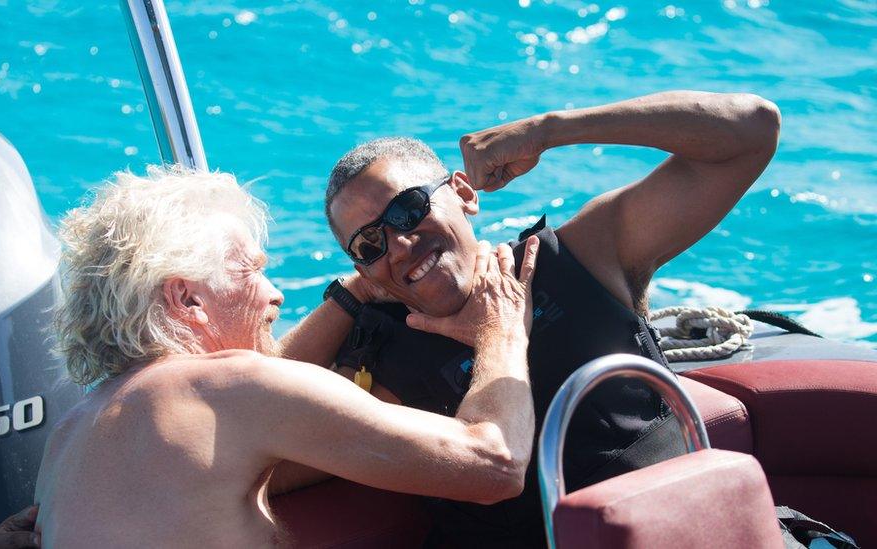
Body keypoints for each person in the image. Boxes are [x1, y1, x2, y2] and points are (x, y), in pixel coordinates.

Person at [323, 91, 781, 546]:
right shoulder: (379, 369)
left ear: (463, 193)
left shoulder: (584, 259)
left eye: (408, 209)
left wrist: (552, 130)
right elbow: (263, 418)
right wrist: (348, 296)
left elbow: (752, 130)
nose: (400, 244)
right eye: (369, 245)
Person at [30, 167, 541, 547]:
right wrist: (502, 328)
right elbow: (494, 464)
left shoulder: (69, 437)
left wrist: (355, 294)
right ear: (187, 300)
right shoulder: (230, 390)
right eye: (250, 272)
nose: (275, 295)